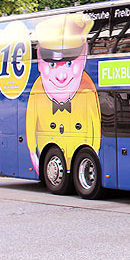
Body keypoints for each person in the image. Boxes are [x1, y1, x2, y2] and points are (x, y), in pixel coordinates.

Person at [25, 13, 101, 176]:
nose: (61, 76)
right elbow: (31, 139)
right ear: (39, 58)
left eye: (69, 62)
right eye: (52, 63)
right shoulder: (35, 93)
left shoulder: (88, 91)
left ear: (84, 54)